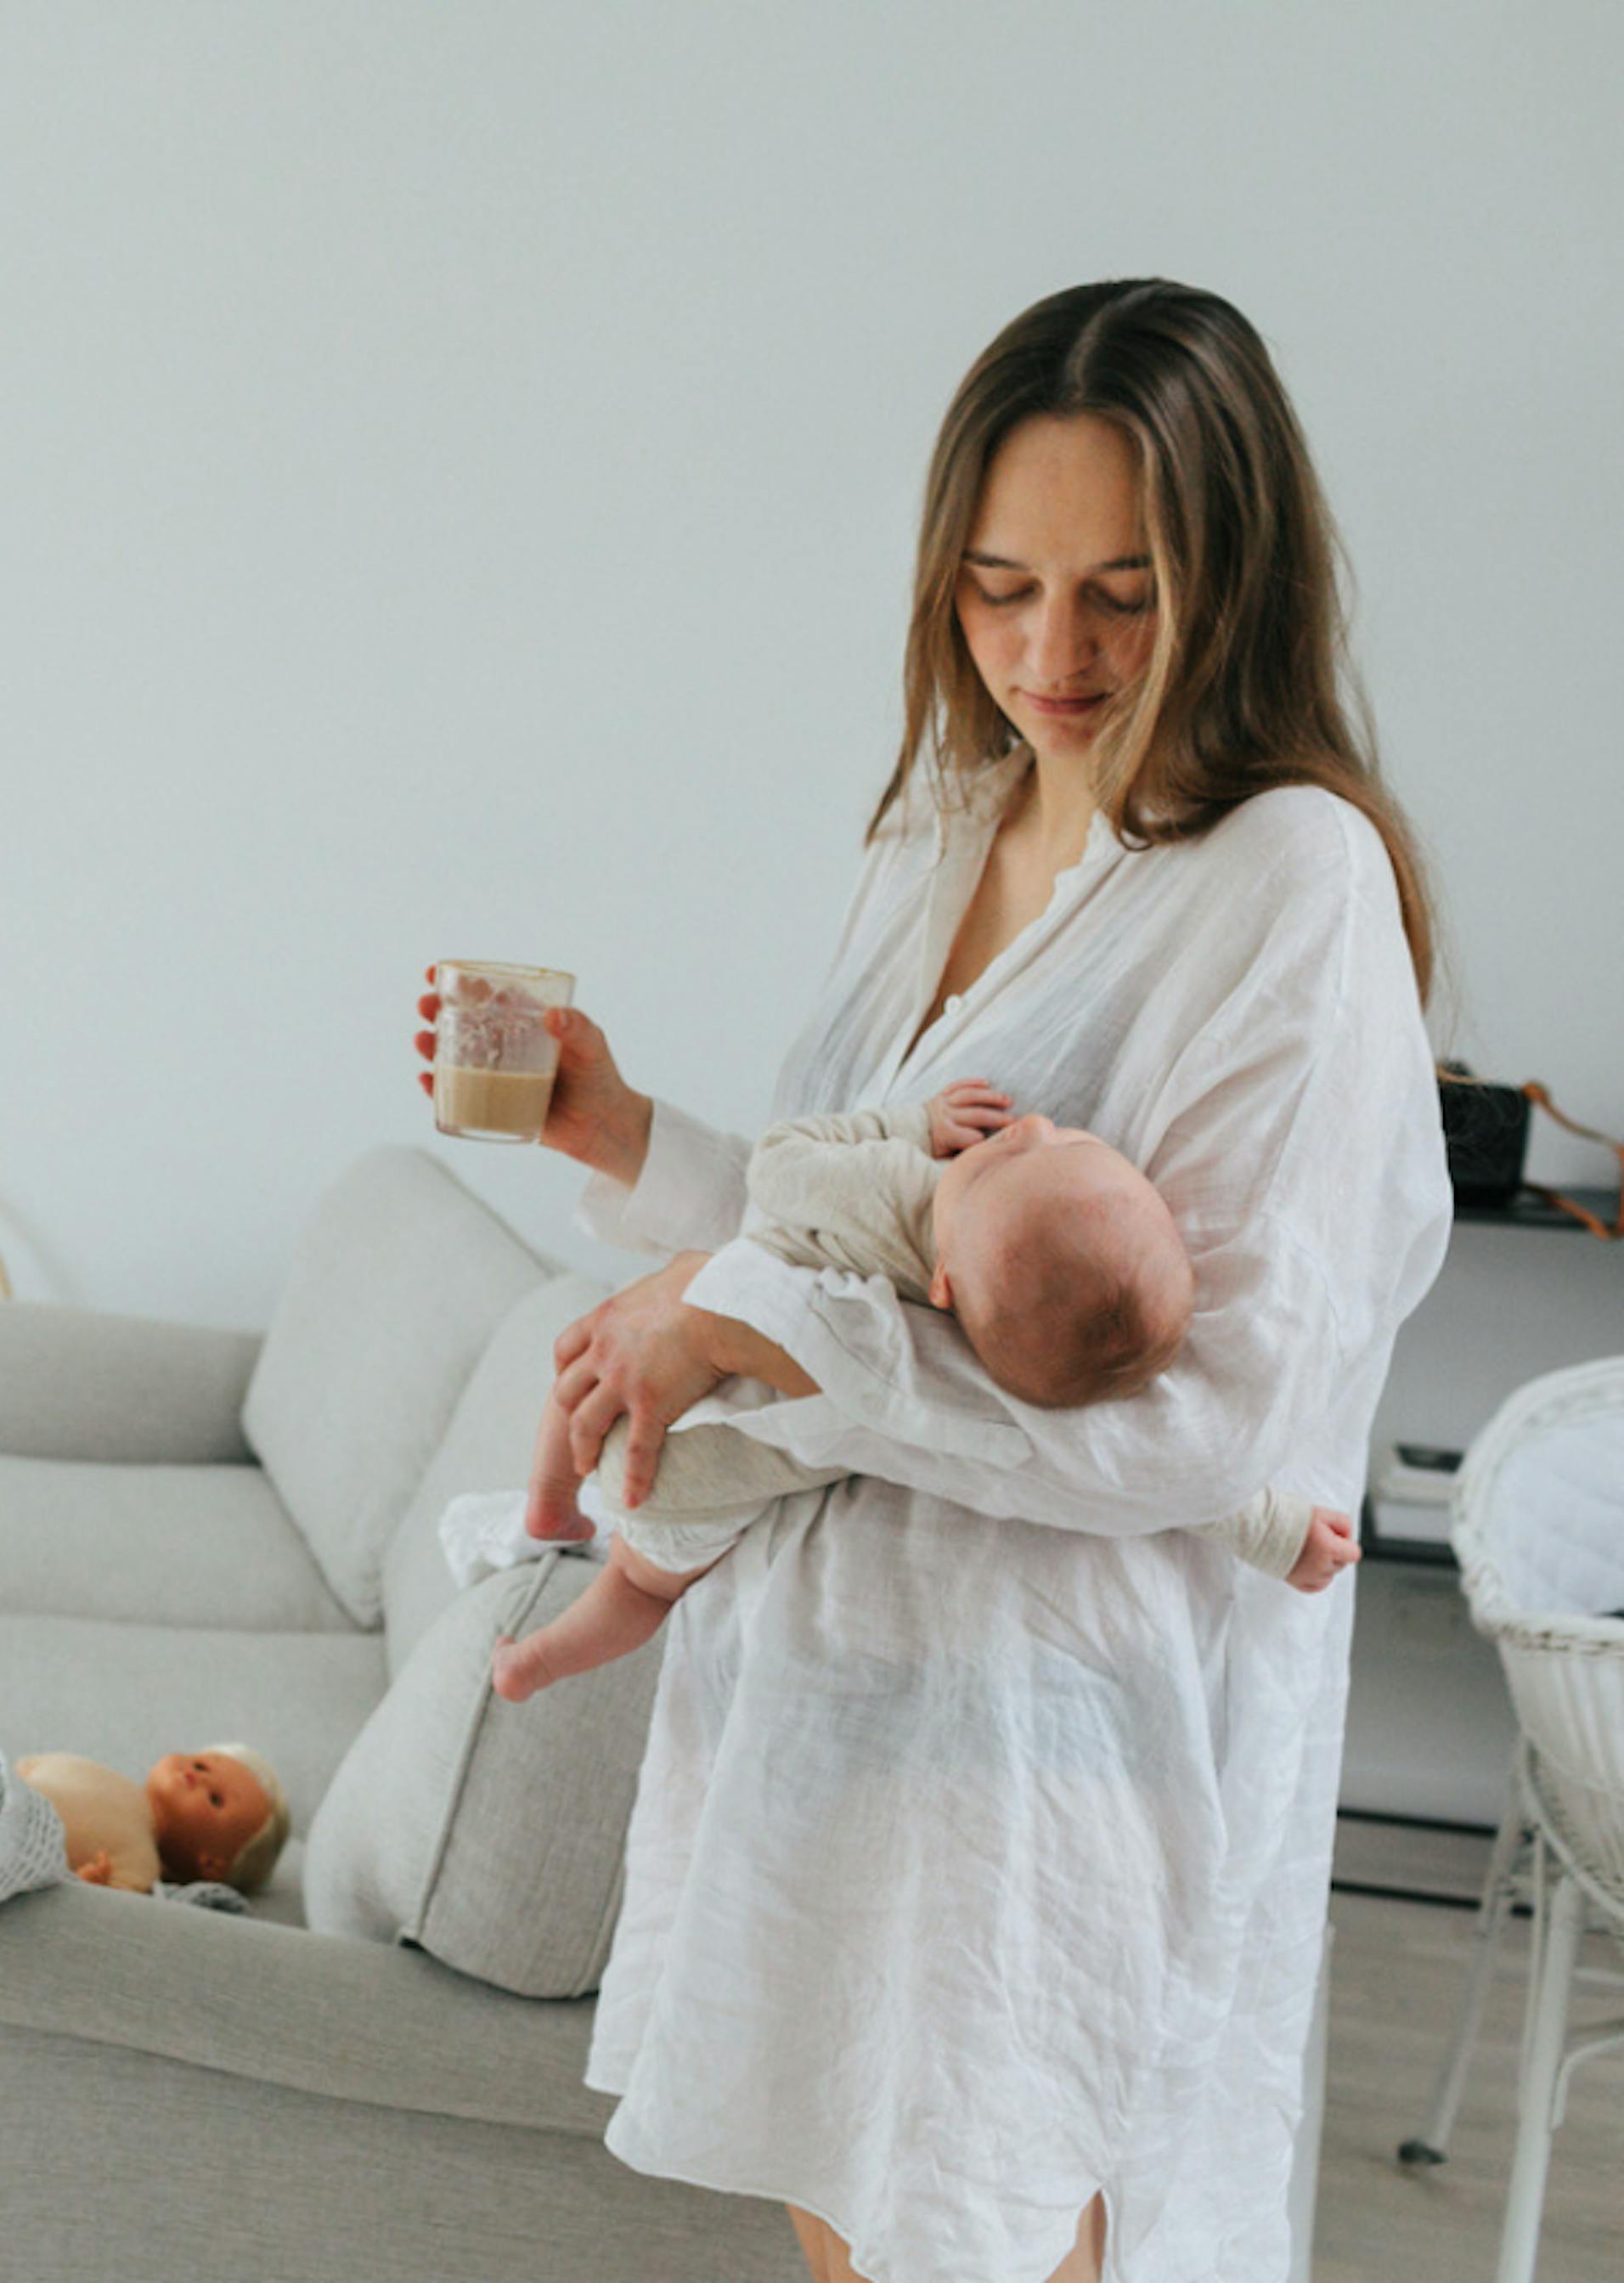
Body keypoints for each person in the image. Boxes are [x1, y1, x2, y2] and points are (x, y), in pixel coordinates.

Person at [414, 279, 1448, 2282]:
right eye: (999, 590)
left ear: (1232, 582)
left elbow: (1210, 1421)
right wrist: (622, 1141)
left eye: (1122, 596)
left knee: (1010, 2221)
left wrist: (742, 1326)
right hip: (819, 1697)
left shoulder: (1287, 882)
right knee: (844, 2231)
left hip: (1046, 1747)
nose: (1052, 658)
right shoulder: (944, 825)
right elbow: (872, 1220)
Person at [487, 1085, 1362, 1700]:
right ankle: (538, 1661)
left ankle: (549, 1507)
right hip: (706, 1483)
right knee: (638, 1591)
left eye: (1005, 1156)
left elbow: (779, 1166)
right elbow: (1145, 1462)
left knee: (577, 1388)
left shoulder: (897, 1192)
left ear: (942, 1283)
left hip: (661, 1412)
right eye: (1068, 1142)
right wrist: (1274, 1530)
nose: (1033, 1126)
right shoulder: (979, 1362)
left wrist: (907, 1126)